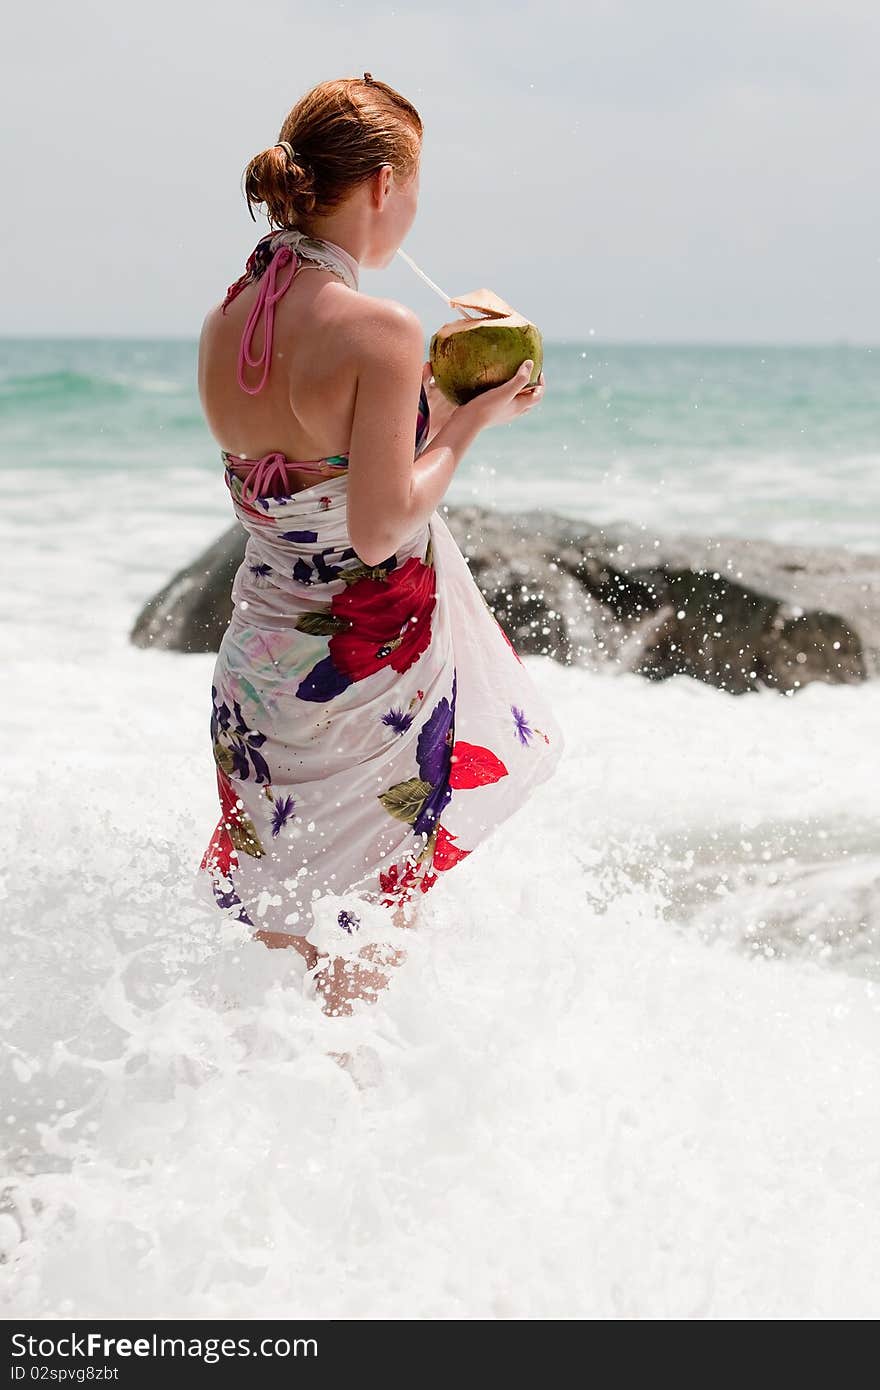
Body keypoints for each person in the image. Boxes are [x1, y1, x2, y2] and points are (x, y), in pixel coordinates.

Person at [197, 73, 564, 1019]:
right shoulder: (382, 328)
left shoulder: (227, 323)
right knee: (357, 972)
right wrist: (468, 425)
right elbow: (376, 525)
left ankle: (227, 1146)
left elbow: (318, 474)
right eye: (417, 187)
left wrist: (438, 411)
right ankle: (342, 1147)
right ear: (383, 183)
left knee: (276, 965)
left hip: (261, 671)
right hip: (360, 685)